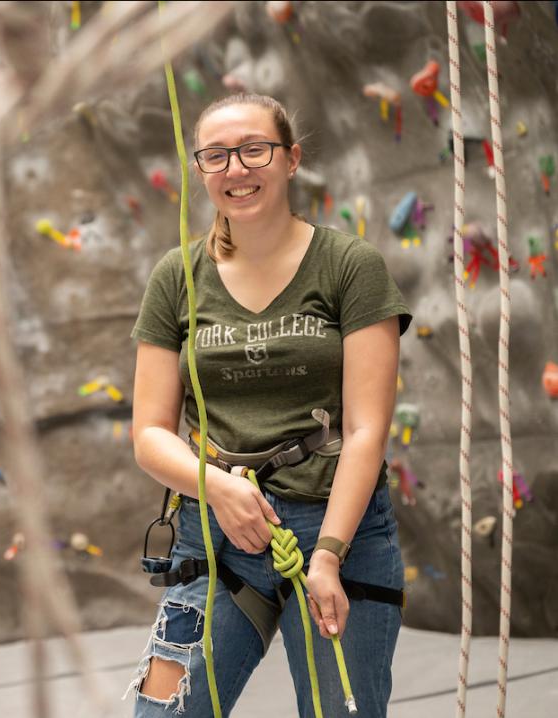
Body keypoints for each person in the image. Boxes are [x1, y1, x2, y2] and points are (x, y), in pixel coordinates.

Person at [126, 93, 411, 717]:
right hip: (215, 531)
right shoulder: (177, 276)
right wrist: (216, 488)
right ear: (200, 170)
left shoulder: (348, 266)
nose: (236, 168)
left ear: (290, 159)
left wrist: (330, 553)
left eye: (255, 149)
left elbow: (366, 430)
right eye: (217, 156)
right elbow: (149, 432)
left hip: (337, 527)